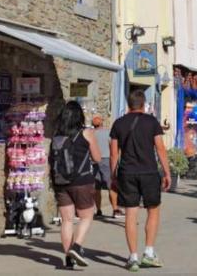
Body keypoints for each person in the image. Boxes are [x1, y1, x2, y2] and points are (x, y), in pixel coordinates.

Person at [110, 90, 171, 271]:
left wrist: (113, 176)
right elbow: (160, 148)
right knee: (153, 211)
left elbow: (114, 153)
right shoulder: (151, 122)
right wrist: (167, 172)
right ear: (143, 104)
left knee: (131, 214)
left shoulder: (118, 124)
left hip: (127, 173)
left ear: (128, 104)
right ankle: (149, 253)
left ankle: (133, 257)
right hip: (149, 172)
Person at [51, 101, 101, 269]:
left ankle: (68, 259)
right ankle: (77, 247)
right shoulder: (86, 133)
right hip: (82, 181)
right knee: (86, 216)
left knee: (67, 220)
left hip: (60, 182)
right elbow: (97, 158)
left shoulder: (57, 135)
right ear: (80, 116)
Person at [91, 116, 123, 219]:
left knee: (97, 187)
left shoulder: (90, 134)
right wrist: (116, 160)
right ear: (101, 123)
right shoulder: (108, 132)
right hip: (106, 160)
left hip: (93, 161)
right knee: (111, 185)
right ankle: (115, 209)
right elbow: (112, 146)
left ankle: (98, 210)